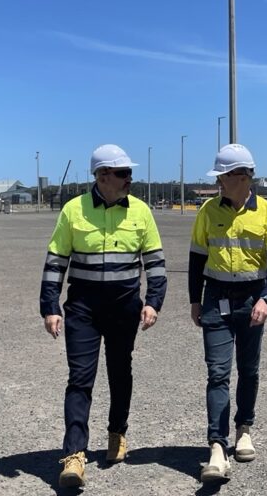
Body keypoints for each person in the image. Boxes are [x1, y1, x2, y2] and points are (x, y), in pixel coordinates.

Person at [39, 144, 167, 488]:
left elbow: (155, 264)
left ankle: (117, 433)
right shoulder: (73, 210)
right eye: (123, 173)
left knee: (120, 371)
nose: (129, 179)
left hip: (125, 307)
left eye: (129, 173)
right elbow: (55, 262)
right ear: (102, 176)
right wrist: (50, 306)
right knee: (80, 378)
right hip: (83, 308)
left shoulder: (140, 211)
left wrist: (153, 302)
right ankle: (74, 455)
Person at [188, 143, 267, 483]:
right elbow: (197, 258)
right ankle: (217, 447)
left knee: (248, 369)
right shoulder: (208, 211)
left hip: (251, 298)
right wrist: (195, 299)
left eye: (223, 176)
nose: (218, 182)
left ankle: (244, 428)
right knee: (217, 372)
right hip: (216, 298)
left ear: (243, 177)